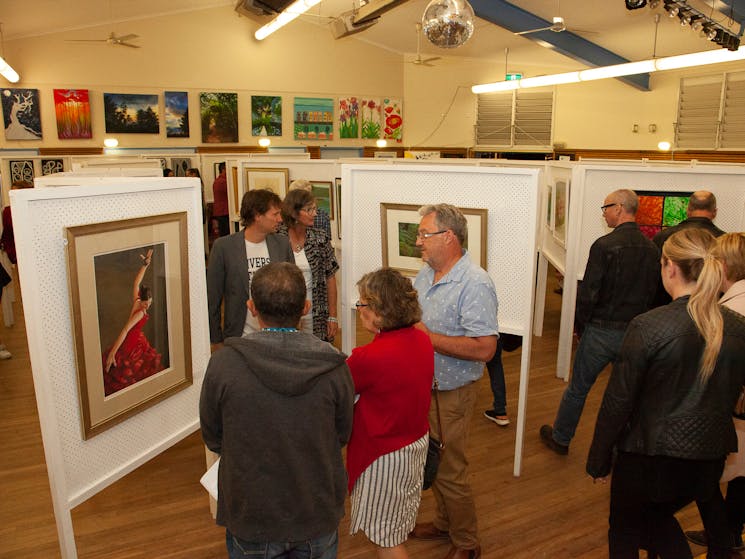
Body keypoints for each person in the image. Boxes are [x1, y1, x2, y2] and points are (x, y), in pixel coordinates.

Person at [586, 228, 745, 559]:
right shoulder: (736, 327)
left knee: (627, 529)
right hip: (709, 457)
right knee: (657, 520)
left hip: (649, 456)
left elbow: (618, 402)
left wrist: (599, 458)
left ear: (669, 266)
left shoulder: (649, 326)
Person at [200, 262, 355, 559]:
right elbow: (342, 433)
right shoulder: (334, 366)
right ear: (306, 307)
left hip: (251, 512)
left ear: (251, 307)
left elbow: (213, 436)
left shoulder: (223, 364)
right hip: (316, 507)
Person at [540, 189, 659, 455]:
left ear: (620, 208)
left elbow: (589, 293)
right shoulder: (652, 249)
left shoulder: (604, 246)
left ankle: (561, 438)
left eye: (605, 207)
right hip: (634, 333)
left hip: (601, 331)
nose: (603, 212)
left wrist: (581, 326)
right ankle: (621, 449)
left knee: (578, 389)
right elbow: (653, 292)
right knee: (626, 394)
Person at [409, 204, 498, 559]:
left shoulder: (475, 283)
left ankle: (466, 542)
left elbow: (485, 349)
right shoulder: (424, 275)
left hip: (451, 393)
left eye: (423, 234)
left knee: (450, 470)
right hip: (425, 388)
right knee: (434, 462)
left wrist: (426, 338)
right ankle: (445, 523)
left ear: (448, 237)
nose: (418, 242)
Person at [347, 268, 434, 559]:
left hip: (383, 456)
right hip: (413, 447)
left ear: (380, 313)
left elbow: (341, 391)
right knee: (394, 527)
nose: (360, 310)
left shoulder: (368, 358)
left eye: (363, 304)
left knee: (387, 539)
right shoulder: (421, 340)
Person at [685, 232, 745, 554]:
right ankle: (731, 533)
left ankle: (723, 538)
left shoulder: (730, 312)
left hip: (731, 414)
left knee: (708, 481)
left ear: (723, 266)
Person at [207, 189, 293, 348]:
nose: (280, 219)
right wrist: (216, 339)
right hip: (240, 337)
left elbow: (292, 289)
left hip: (279, 338)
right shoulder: (224, 247)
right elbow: (213, 297)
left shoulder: (282, 244)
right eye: (275, 214)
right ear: (257, 215)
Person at [277, 189, 338, 341]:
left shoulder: (320, 238)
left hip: (315, 310)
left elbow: (330, 277)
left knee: (314, 353)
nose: (315, 214)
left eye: (315, 209)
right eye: (309, 209)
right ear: (294, 212)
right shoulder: (277, 238)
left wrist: (333, 316)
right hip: (285, 310)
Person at [101, 248, 164, 396]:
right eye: (145, 303)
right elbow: (125, 330)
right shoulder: (140, 313)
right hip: (131, 345)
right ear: (141, 301)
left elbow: (136, 283)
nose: (147, 306)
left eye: (149, 303)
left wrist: (145, 265)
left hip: (137, 339)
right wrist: (113, 353)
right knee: (132, 375)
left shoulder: (137, 299)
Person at [652, 190, 724, 306]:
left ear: (688, 210)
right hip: (710, 310)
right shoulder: (723, 240)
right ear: (714, 212)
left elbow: (653, 278)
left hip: (665, 308)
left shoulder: (663, 237)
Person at [0, 180, 33, 265]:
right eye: (12, 193)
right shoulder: (7, 211)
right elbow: (7, 234)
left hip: (33, 252)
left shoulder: (33, 209)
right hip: (16, 255)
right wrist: (13, 255)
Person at [211, 162, 229, 237]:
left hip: (221, 211)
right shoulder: (223, 181)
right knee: (226, 235)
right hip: (224, 211)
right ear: (223, 169)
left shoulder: (218, 180)